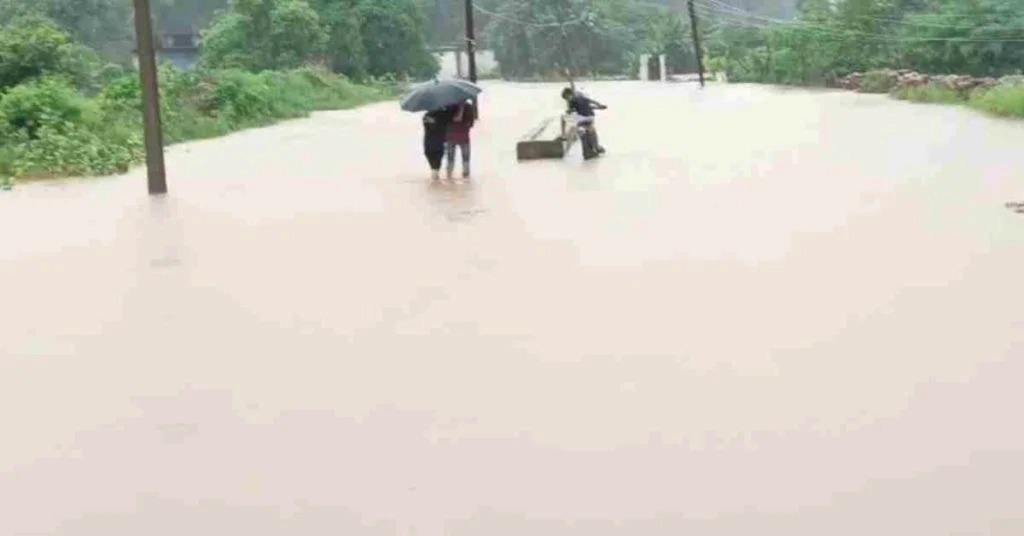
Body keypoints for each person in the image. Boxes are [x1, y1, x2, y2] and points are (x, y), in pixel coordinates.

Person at [561, 87, 607, 154]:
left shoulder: (572, 100)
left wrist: (568, 111)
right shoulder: (582, 97)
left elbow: (570, 111)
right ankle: (596, 146)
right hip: (590, 117)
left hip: (581, 118)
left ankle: (563, 135)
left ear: (568, 95)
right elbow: (591, 102)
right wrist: (599, 106)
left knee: (563, 118)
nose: (566, 100)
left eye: (566, 98)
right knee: (592, 129)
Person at [445, 100, 475, 180]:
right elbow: (471, 124)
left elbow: (471, 123)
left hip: (456, 135)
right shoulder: (450, 106)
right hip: (458, 136)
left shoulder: (449, 106)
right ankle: (462, 175)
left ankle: (451, 175)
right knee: (460, 157)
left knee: (456, 157)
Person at [423, 106, 454, 180]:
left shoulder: (426, 116)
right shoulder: (443, 115)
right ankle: (435, 174)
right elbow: (451, 118)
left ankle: (434, 174)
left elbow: (429, 126)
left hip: (429, 141)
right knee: (437, 159)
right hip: (439, 141)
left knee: (432, 158)